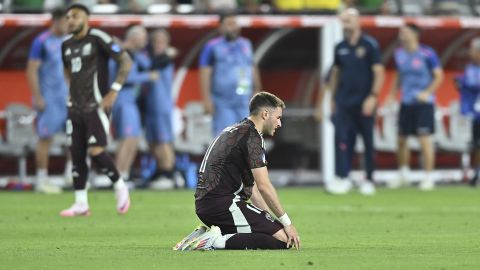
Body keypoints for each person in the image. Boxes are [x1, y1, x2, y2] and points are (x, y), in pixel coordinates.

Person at [173, 92, 300, 251]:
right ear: (265, 114)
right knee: (284, 240)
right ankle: (213, 241)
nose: (279, 123)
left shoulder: (235, 130)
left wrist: (268, 220)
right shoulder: (252, 137)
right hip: (223, 205)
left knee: (272, 233)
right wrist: (287, 223)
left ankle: (204, 236)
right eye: (278, 117)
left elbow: (253, 189)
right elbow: (264, 186)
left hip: (207, 205)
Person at [60, 3, 133, 216]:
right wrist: (71, 92)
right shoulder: (65, 45)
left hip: (97, 105)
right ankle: (81, 203)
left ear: (86, 18)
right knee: (77, 153)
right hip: (74, 107)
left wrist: (113, 91)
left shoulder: (97, 37)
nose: (70, 20)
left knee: (95, 150)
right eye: (68, 17)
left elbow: (125, 60)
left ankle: (120, 185)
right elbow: (68, 72)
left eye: (75, 16)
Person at [314, 8, 384, 195]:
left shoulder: (370, 45)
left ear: (358, 21)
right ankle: (342, 178)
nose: (346, 24)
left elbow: (379, 72)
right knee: (342, 140)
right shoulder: (340, 47)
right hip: (344, 102)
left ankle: (369, 179)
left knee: (367, 141)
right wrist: (332, 99)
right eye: (343, 21)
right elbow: (335, 74)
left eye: (349, 21)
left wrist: (373, 96)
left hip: (364, 101)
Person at [385, 23, 443, 190]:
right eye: (401, 32)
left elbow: (438, 77)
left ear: (415, 35)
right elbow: (398, 77)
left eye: (406, 32)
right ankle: (404, 174)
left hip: (424, 103)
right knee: (401, 139)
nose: (402, 35)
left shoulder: (427, 53)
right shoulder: (399, 54)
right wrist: (391, 94)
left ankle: (428, 177)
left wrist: (427, 92)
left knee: (424, 139)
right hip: (406, 101)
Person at [26, 8, 71, 194]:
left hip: (65, 98)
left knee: (75, 137)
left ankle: (71, 175)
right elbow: (31, 70)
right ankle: (41, 179)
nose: (68, 25)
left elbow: (68, 71)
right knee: (45, 138)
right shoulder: (41, 42)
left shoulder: (68, 42)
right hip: (48, 99)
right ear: (56, 20)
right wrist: (38, 96)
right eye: (65, 21)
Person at [199, 13, 262, 136]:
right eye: (229, 24)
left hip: (244, 100)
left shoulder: (246, 44)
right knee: (226, 139)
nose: (233, 27)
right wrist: (206, 100)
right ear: (221, 27)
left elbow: (252, 66)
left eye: (235, 24)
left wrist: (257, 89)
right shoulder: (212, 46)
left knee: (246, 138)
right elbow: (204, 73)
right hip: (223, 102)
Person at [110, 25, 158, 183]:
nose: (146, 40)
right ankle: (117, 176)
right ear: (133, 37)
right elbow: (125, 78)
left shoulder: (132, 53)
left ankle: (124, 174)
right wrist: (148, 77)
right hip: (123, 99)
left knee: (134, 139)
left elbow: (148, 63)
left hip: (130, 100)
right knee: (127, 138)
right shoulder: (123, 53)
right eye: (142, 36)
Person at [145, 29, 182, 190]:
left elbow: (155, 64)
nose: (158, 44)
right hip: (151, 106)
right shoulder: (156, 57)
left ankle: (170, 173)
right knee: (152, 141)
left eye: (161, 41)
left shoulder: (165, 58)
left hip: (162, 105)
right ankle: (161, 170)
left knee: (163, 141)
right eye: (155, 41)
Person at [455, 37, 480, 187]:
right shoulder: (470, 69)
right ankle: (477, 172)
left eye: (473, 50)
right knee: (477, 145)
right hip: (475, 114)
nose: (470, 53)